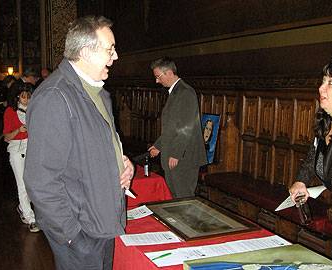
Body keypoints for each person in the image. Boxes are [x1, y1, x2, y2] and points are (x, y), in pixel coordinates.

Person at [23, 16, 134, 270]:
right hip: (81, 232)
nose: (115, 57)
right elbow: (40, 180)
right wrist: (72, 235)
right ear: (86, 52)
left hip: (101, 220)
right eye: (110, 49)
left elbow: (91, 150)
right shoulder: (56, 96)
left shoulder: (97, 93)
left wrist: (121, 163)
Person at [289, 52, 332, 267]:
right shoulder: (328, 123)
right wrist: (302, 180)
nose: (321, 88)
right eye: (323, 81)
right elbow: (313, 155)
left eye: (331, 83)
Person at [148, 57, 206, 198]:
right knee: (174, 196)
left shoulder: (185, 92)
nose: (157, 81)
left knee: (183, 197)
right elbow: (173, 126)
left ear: (168, 72)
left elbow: (186, 127)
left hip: (184, 157)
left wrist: (176, 154)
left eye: (158, 77)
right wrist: (158, 146)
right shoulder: (176, 92)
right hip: (175, 154)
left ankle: (186, 221)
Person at [2, 83, 39, 232]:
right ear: (18, 96)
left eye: (29, 97)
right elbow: (6, 137)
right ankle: (30, 218)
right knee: (22, 185)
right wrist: (19, 130)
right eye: (24, 96)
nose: (27, 100)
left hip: (32, 148)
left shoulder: (34, 111)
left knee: (33, 184)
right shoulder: (10, 112)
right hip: (17, 149)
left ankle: (22, 207)